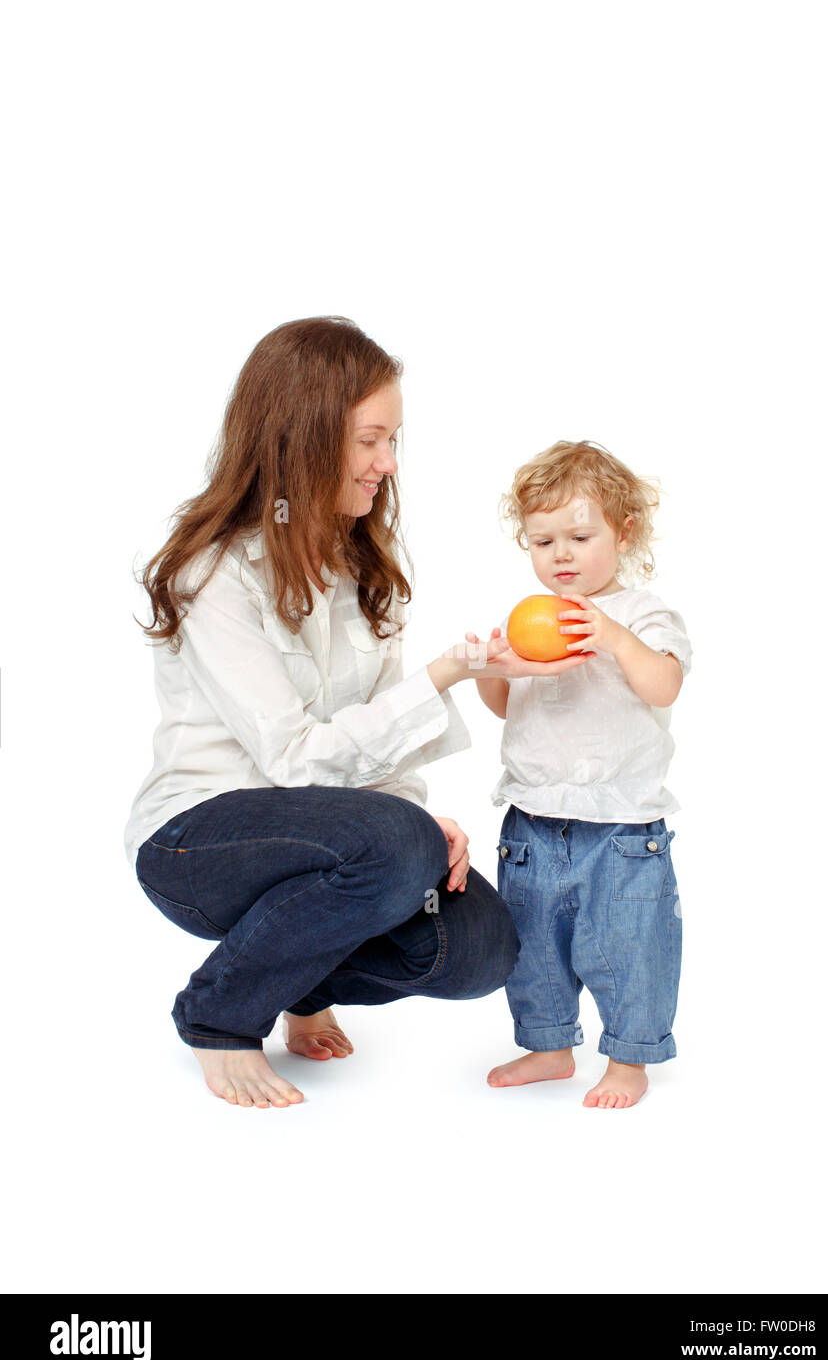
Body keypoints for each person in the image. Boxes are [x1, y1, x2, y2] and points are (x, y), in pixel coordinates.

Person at [124, 317, 586, 1108]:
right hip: (194, 844)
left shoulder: (364, 570)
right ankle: (219, 1016)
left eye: (394, 440)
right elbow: (295, 760)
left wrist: (415, 826)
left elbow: (376, 749)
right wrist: (445, 675)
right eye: (371, 440)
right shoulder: (215, 570)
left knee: (479, 944)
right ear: (302, 435)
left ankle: (298, 984)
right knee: (394, 842)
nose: (388, 464)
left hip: (324, 840)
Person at [470, 440, 693, 1109]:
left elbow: (664, 686)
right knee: (532, 944)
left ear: (624, 533)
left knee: (631, 945)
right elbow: (508, 706)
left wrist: (615, 638)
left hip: (622, 828)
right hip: (533, 820)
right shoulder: (531, 620)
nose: (560, 554)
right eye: (542, 541)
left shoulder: (643, 614)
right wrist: (493, 669)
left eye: (578, 535)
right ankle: (548, 1044)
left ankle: (630, 1057)